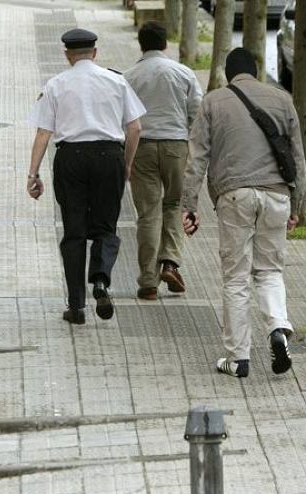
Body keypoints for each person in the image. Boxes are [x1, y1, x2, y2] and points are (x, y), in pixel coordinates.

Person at [181, 48, 306, 378]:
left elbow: (196, 160)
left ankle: (238, 358)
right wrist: (297, 205)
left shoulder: (213, 101)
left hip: (234, 195)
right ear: (256, 70)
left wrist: (189, 205)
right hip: (277, 196)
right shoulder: (283, 100)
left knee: (236, 278)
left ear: (227, 73)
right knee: (269, 270)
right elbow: (298, 160)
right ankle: (278, 328)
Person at [26, 28, 145, 324]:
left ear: (67, 55)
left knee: (74, 232)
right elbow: (135, 128)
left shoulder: (55, 84)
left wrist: (33, 173)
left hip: (71, 158)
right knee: (106, 227)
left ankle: (76, 306)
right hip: (109, 156)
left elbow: (43, 132)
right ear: (95, 52)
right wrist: (126, 164)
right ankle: (101, 280)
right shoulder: (117, 81)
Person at [123, 21, 203, 300]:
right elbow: (197, 112)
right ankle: (170, 262)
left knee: (148, 213)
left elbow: (124, 117)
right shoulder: (184, 73)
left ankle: (147, 280)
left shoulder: (129, 76)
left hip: (142, 146)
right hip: (175, 145)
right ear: (165, 43)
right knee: (173, 204)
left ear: (141, 44)